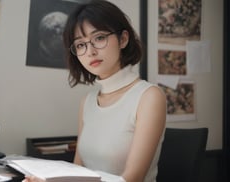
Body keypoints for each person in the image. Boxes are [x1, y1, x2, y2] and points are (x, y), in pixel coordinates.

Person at [23, 0, 166, 182]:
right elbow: (77, 169)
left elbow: (132, 178)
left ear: (123, 39)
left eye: (99, 38)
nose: (90, 51)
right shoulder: (88, 101)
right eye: (81, 45)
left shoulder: (149, 96)